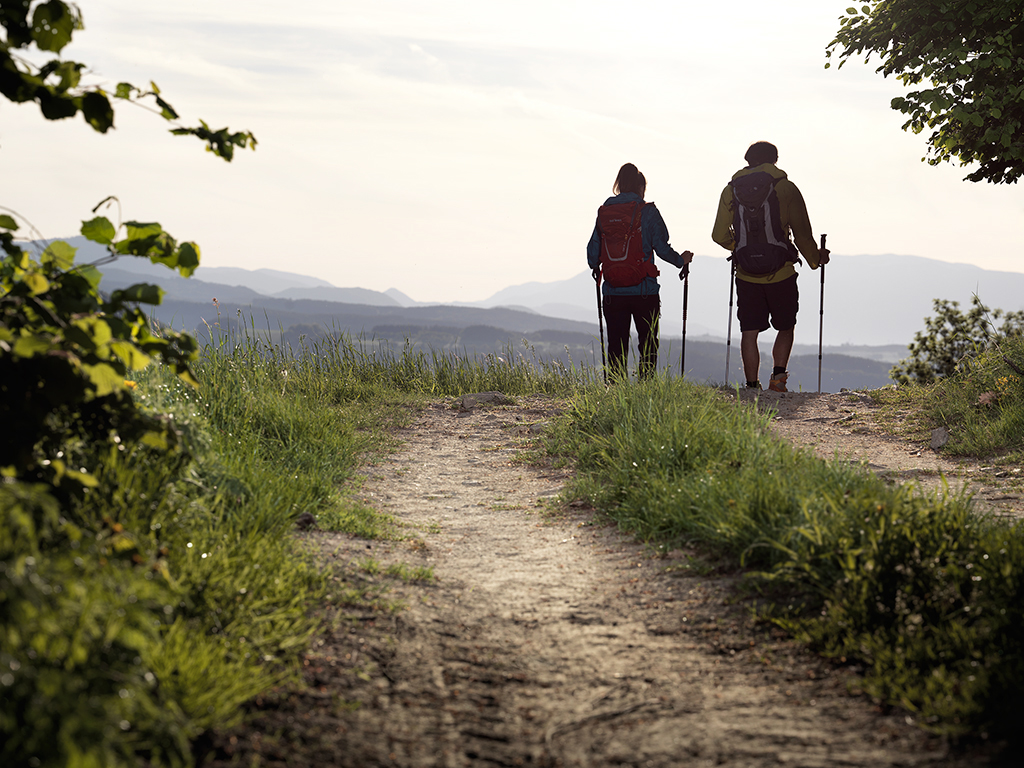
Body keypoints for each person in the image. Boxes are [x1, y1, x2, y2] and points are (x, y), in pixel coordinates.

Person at [711, 141, 830, 392]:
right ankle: (777, 380)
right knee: (786, 325)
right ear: (774, 160)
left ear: (747, 160)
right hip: (782, 272)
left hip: (745, 274)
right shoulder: (785, 188)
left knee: (749, 330)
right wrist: (815, 259)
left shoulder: (730, 191)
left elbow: (718, 235)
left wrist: (741, 247)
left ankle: (751, 386)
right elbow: (802, 233)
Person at [587, 163, 693, 380]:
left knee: (616, 343)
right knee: (648, 342)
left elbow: (592, 255)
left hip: (612, 291)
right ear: (641, 187)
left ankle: (615, 389)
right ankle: (646, 388)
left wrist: (599, 266)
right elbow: (662, 248)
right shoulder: (648, 211)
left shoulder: (605, 212)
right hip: (644, 290)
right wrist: (681, 261)